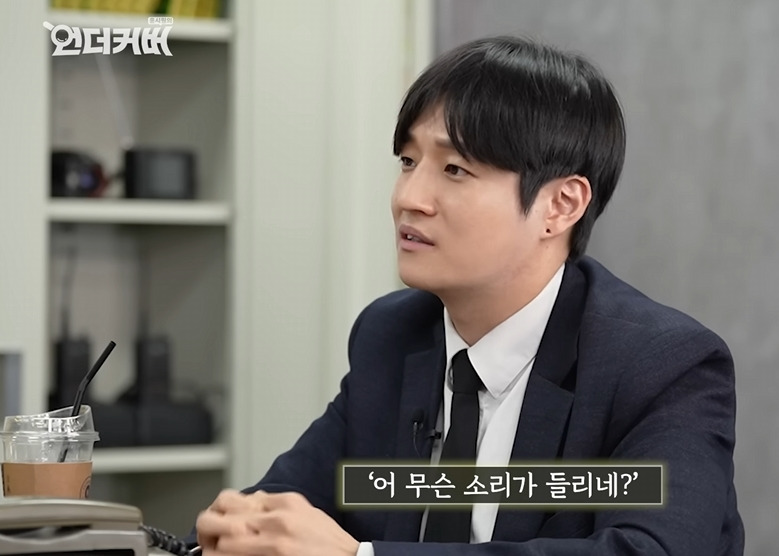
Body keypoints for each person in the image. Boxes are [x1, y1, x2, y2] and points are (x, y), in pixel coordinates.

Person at [194, 35, 744, 556]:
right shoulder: (392, 335)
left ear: (560, 206)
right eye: (408, 162)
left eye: (455, 169)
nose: (409, 198)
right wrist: (232, 533)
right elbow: (283, 506)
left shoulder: (661, 366)